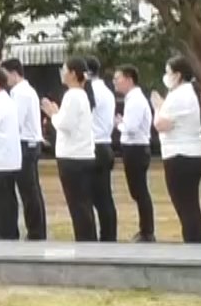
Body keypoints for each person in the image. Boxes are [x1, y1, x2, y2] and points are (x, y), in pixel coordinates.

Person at [153, 56, 201, 243]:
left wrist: (158, 108)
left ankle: (194, 243)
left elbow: (161, 124)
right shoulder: (186, 93)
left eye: (168, 72)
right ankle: (195, 240)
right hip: (192, 153)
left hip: (181, 155)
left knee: (185, 205)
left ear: (177, 75)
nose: (166, 76)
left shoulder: (179, 95)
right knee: (190, 203)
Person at [42, 57, 99, 241]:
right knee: (83, 204)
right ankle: (87, 239)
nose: (62, 73)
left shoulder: (73, 95)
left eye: (64, 69)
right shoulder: (81, 95)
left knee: (78, 205)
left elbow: (65, 124)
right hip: (82, 155)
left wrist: (53, 114)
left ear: (73, 73)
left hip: (72, 157)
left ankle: (85, 241)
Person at [2, 59, 48, 240]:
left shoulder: (19, 93)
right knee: (32, 190)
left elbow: (16, 122)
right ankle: (37, 230)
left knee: (28, 191)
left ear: (14, 73)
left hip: (25, 143)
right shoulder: (26, 91)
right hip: (30, 143)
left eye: (6, 75)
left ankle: (36, 231)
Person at [115, 65, 156, 242]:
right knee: (137, 191)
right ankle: (145, 229)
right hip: (133, 147)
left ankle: (147, 231)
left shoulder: (136, 100)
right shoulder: (132, 99)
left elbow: (130, 128)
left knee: (140, 191)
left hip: (136, 148)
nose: (115, 82)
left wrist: (119, 124)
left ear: (129, 79)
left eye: (118, 79)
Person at [0, 66, 26, 240]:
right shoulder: (4, 101)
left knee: (3, 204)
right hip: (6, 159)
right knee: (6, 201)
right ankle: (9, 234)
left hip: (1, 161)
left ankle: (7, 236)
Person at [85, 58, 119, 242]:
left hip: (95, 146)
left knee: (96, 198)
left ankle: (104, 237)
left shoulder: (91, 91)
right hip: (104, 144)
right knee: (104, 197)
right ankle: (108, 235)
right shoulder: (106, 90)